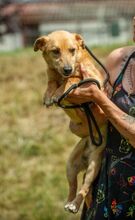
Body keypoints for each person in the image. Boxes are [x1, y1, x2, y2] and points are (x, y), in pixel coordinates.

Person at [67, 17, 135, 219]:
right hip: (107, 187)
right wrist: (77, 107)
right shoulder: (119, 61)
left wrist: (98, 97)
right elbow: (84, 128)